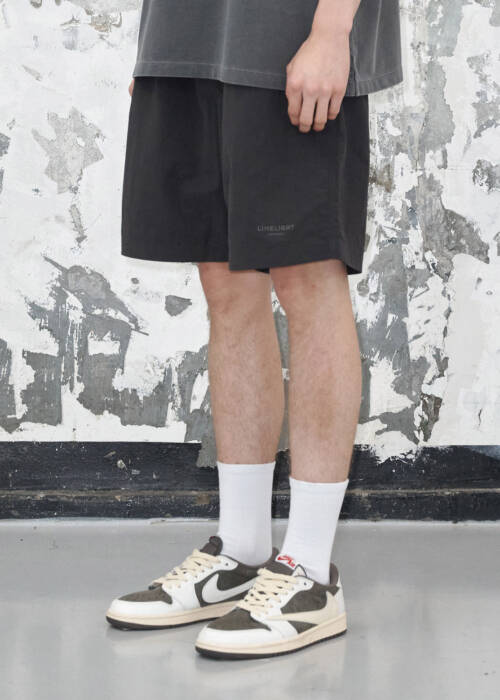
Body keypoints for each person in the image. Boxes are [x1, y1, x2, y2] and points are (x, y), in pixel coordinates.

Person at [106, 0, 403, 659]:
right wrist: (163, 50)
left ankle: (311, 572)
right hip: (188, 38)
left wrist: (331, 30)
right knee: (226, 285)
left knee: (308, 278)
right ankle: (241, 552)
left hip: (290, 35)